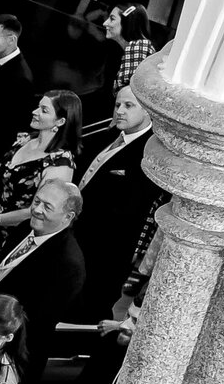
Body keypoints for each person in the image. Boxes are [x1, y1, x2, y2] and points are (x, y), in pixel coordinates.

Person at [70, 83, 163, 318]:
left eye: (129, 105)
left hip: (106, 249)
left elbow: (130, 208)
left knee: (87, 310)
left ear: (148, 110)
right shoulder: (108, 136)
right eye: (118, 104)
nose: (120, 110)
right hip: (76, 238)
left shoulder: (150, 151)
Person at [0, 180, 87, 384]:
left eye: (47, 207)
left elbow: (36, 322)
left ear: (68, 217)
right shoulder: (26, 227)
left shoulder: (68, 264)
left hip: (11, 355)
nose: (37, 210)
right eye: (36, 201)